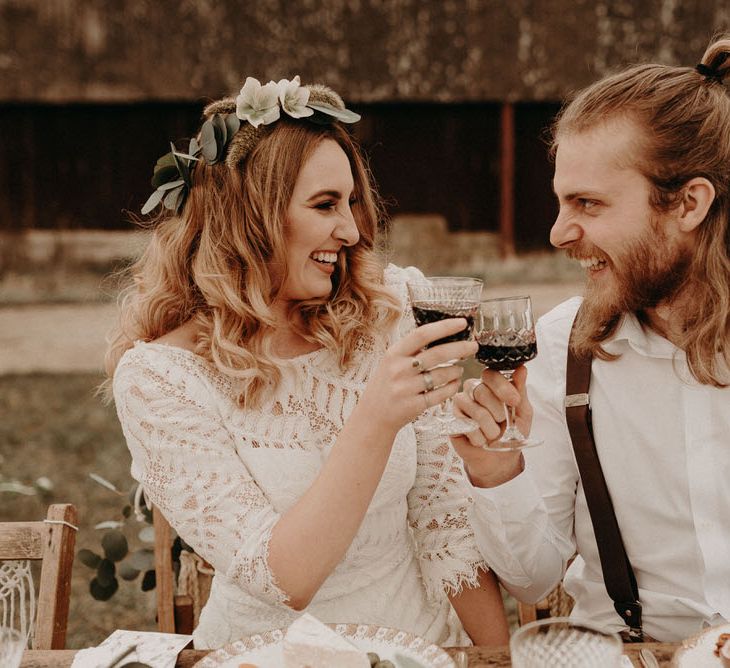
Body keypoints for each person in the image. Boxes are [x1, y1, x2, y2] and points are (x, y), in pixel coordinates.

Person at [105, 75, 509, 649]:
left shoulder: (389, 314)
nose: (351, 230)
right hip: (264, 657)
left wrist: (501, 659)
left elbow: (443, 523)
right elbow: (285, 577)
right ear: (248, 216)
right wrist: (374, 419)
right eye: (325, 205)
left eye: (350, 203)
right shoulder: (161, 380)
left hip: (419, 651)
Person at [451, 37, 730, 643]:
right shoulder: (563, 348)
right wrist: (497, 473)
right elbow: (531, 578)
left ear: (688, 203)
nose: (557, 232)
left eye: (588, 204)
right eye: (560, 202)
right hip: (621, 654)